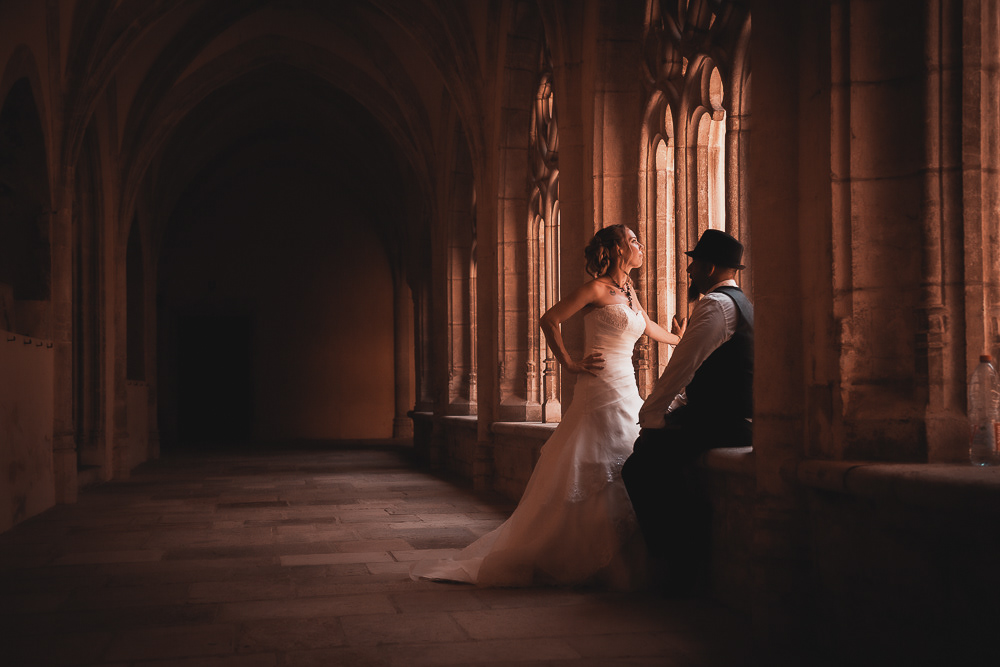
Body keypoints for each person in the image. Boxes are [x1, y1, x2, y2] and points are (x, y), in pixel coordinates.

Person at [410, 223, 683, 588]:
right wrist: (569, 364)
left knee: (622, 460)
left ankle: (611, 555)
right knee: (595, 461)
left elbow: (648, 327)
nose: (641, 245)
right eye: (633, 240)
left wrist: (678, 339)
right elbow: (549, 319)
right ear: (617, 250)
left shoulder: (630, 291)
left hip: (626, 387)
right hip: (599, 386)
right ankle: (571, 554)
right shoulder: (596, 288)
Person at [622, 228, 753, 592]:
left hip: (720, 421)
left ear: (710, 267)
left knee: (638, 467)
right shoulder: (741, 302)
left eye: (694, 263)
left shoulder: (715, 305)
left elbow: (683, 365)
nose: (690, 271)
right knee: (651, 460)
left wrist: (651, 416)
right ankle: (680, 552)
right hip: (729, 417)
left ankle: (678, 560)